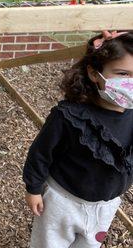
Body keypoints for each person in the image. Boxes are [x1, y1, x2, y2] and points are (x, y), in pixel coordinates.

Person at [23, 31, 133, 248]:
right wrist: (33, 189)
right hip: (61, 202)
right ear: (94, 74)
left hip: (105, 207)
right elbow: (41, 153)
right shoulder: (69, 116)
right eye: (122, 73)